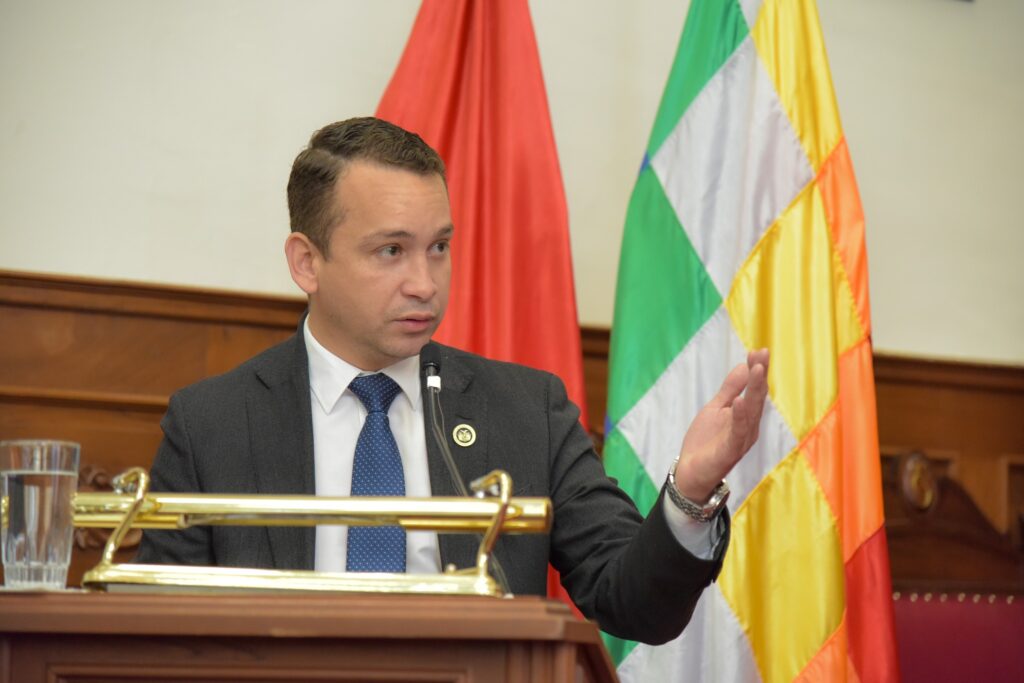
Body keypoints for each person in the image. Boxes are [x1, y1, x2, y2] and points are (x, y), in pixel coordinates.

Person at [136, 117, 769, 645]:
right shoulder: (211, 423)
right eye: (391, 251)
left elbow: (634, 605)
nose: (425, 282)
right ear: (307, 262)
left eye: (439, 246)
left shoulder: (526, 410)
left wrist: (689, 491)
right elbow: (159, 637)